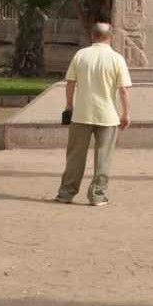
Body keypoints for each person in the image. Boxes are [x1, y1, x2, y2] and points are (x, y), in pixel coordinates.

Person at [55, 22, 132, 206]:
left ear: (92, 35)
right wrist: (126, 113)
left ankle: (66, 194)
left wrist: (69, 106)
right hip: (108, 115)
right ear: (111, 37)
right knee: (103, 158)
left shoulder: (81, 55)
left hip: (81, 114)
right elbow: (123, 90)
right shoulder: (117, 59)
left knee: (75, 156)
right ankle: (97, 195)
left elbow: (70, 83)